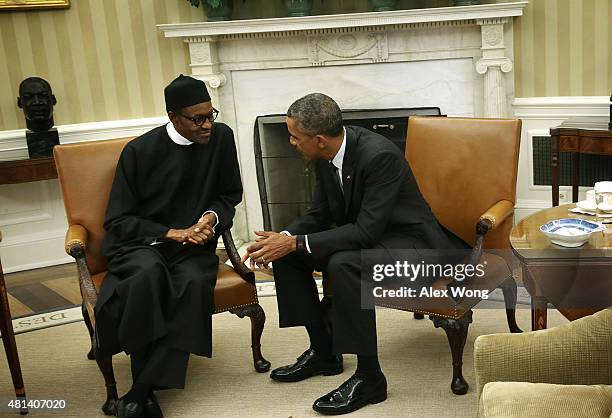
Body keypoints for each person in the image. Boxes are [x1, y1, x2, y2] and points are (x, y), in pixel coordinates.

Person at [243, 93, 458, 415]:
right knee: (286, 255)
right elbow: (319, 213)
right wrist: (283, 239)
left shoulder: (378, 156)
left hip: (412, 245)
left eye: (294, 137)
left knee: (342, 263)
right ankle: (323, 352)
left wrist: (297, 242)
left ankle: (370, 377)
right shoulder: (323, 156)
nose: (290, 142)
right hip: (372, 238)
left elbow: (366, 231)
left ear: (318, 140)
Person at [95, 74, 243, 418]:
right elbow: (117, 221)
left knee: (192, 284)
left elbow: (228, 195)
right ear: (174, 117)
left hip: (193, 248)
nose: (208, 125)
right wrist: (171, 233)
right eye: (198, 119)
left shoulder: (221, 138)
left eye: (211, 115)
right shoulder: (139, 151)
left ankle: (141, 390)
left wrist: (209, 219)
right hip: (141, 245)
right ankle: (144, 388)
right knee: (146, 277)